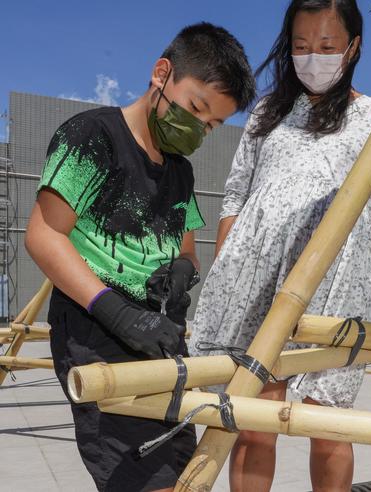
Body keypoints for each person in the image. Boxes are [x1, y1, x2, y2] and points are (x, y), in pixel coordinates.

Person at [186, 1, 371, 490]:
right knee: (254, 421)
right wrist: (226, 274)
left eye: (326, 47)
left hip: (336, 284)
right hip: (257, 286)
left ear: (353, 47)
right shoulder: (268, 111)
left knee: (327, 426)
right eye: (301, 47)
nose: (313, 58)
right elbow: (237, 193)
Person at [24, 23, 255, 492]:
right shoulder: (92, 136)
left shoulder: (180, 171)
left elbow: (187, 246)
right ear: (161, 73)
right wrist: (118, 312)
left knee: (183, 470)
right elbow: (44, 235)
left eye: (211, 125)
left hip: (160, 337)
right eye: (195, 108)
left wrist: (182, 271)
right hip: (96, 335)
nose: (198, 128)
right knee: (143, 480)